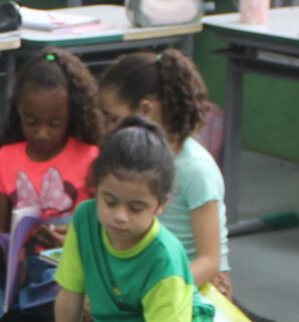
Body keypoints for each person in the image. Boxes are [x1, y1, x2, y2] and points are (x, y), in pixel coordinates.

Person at [54, 119, 292, 322]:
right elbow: (69, 297)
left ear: (161, 205)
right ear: (96, 188)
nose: (120, 216)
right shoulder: (84, 220)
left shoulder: (163, 257)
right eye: (110, 201)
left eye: (136, 208)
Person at [95, 50, 228, 292]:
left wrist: (151, 289)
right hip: (142, 273)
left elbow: (209, 263)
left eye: (114, 119)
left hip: (186, 285)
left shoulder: (195, 169)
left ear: (147, 110)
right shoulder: (128, 158)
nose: (108, 129)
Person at [0, 50, 106, 239]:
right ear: (19, 112)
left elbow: (100, 229)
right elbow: (2, 232)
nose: (42, 134)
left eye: (55, 124)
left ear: (71, 117)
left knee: (48, 271)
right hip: (21, 263)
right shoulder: (5, 159)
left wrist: (74, 239)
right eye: (31, 122)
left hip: (66, 262)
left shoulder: (89, 157)